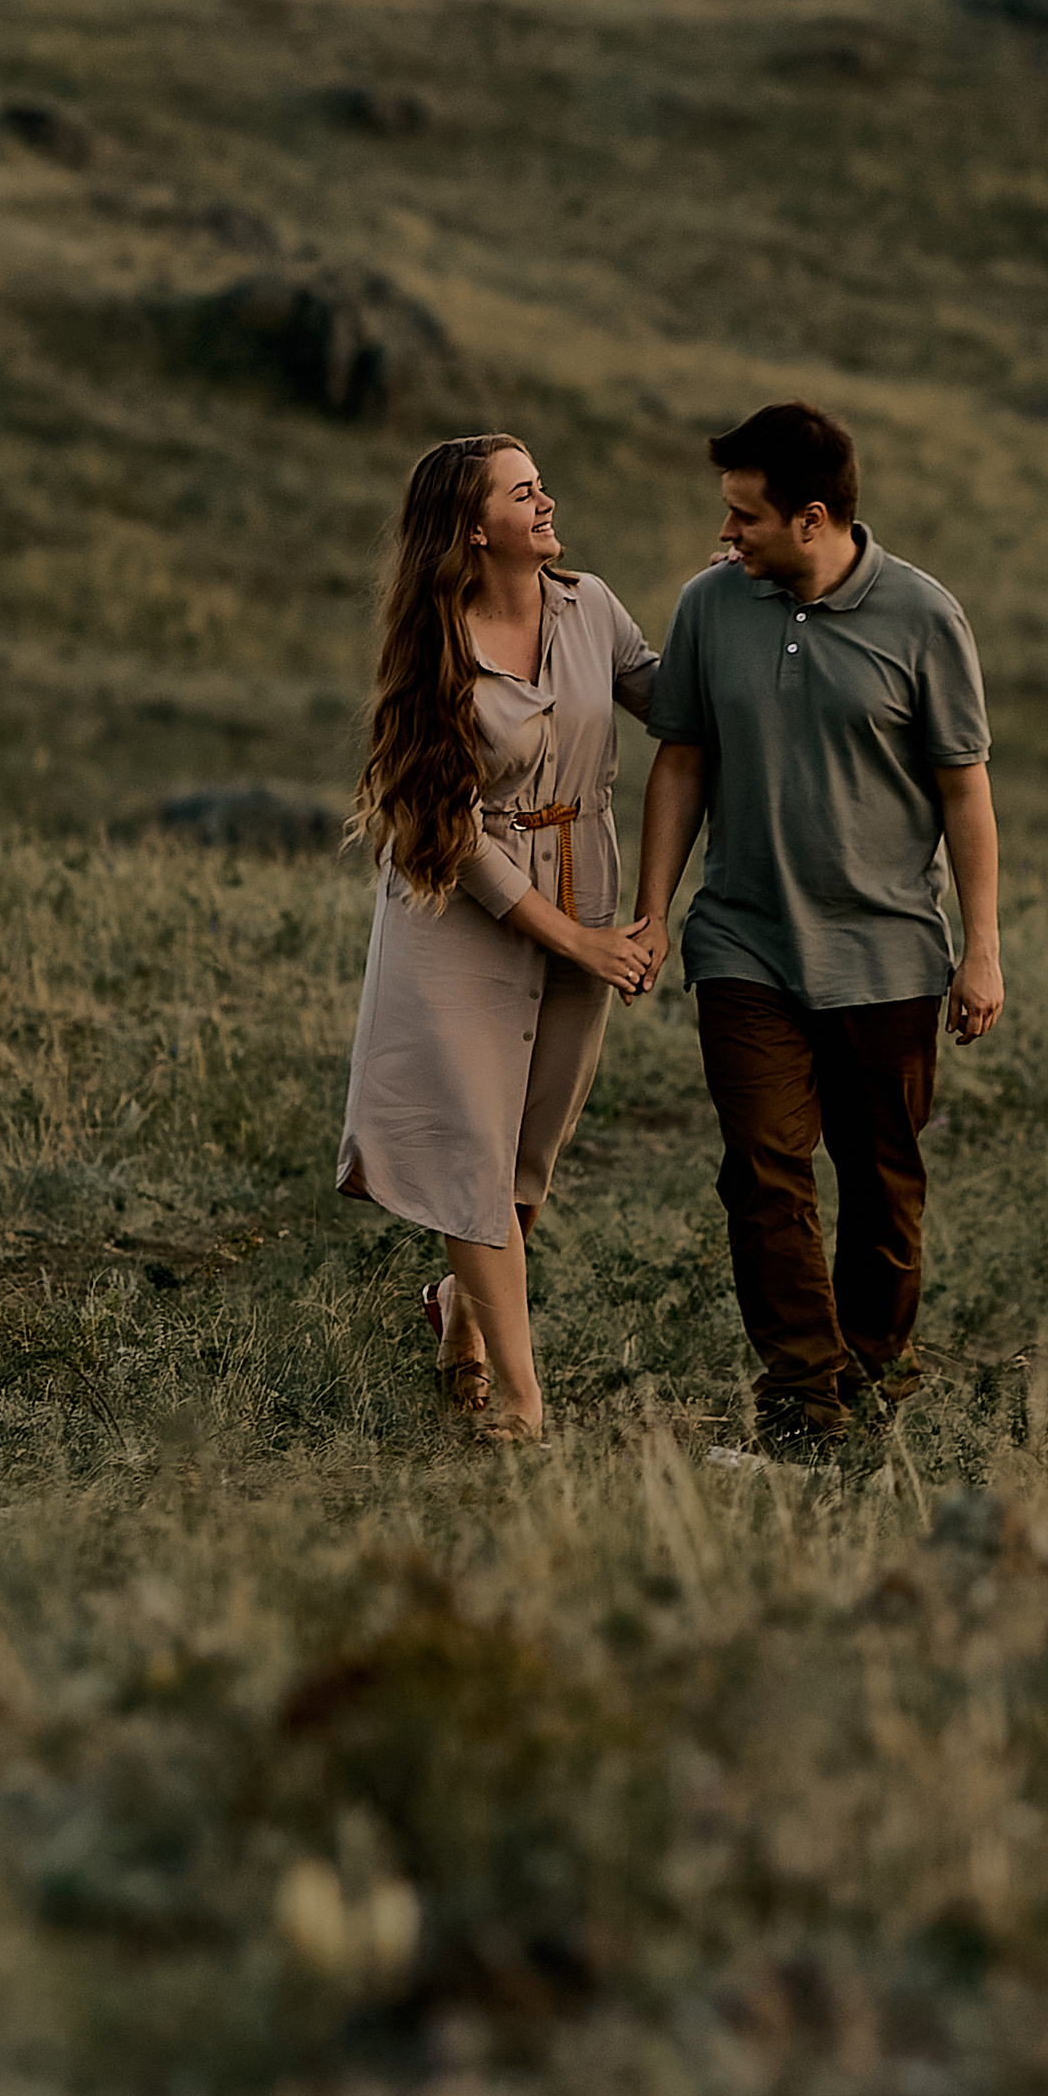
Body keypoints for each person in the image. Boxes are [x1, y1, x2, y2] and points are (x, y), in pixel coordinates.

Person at [633, 401, 1002, 1451]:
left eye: (744, 517)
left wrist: (980, 949)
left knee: (883, 1181)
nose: (725, 535)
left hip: (888, 954)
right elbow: (682, 760)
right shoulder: (710, 606)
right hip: (744, 943)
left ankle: (877, 1362)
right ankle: (804, 1392)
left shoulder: (925, 618)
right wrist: (654, 916)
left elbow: (964, 792)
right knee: (762, 1169)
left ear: (812, 518)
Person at [339, 433, 659, 1441]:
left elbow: (668, 693)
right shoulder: (433, 644)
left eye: (540, 485)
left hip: (581, 880)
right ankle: (523, 1403)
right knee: (472, 1150)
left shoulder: (590, 605)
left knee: (527, 1157)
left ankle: (458, 1308)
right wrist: (574, 940)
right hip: (458, 913)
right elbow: (449, 835)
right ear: (476, 528)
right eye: (525, 493)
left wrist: (740, 605)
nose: (548, 501)